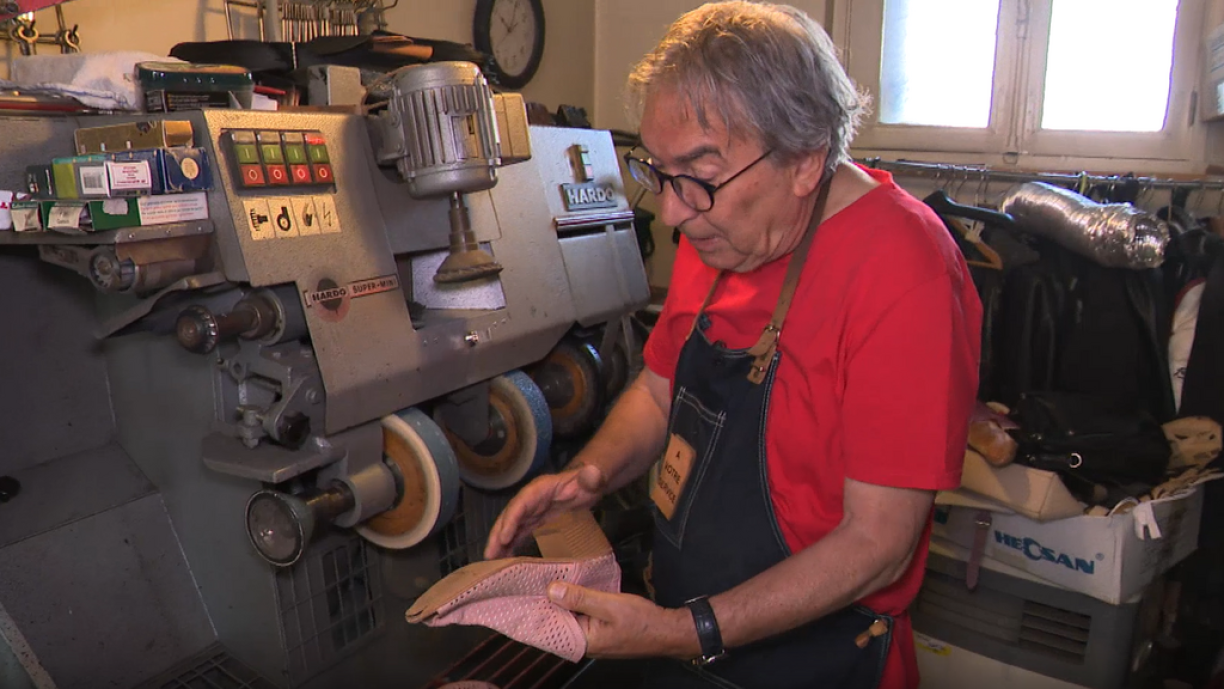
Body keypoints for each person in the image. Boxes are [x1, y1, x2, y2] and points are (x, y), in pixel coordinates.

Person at [484, 2, 982, 687]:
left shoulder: (905, 270)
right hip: (686, 629)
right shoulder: (721, 228)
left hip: (818, 660)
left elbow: (880, 543)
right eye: (658, 171)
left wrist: (684, 630)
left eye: (697, 175)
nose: (672, 210)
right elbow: (659, 390)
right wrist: (592, 475)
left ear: (805, 159)